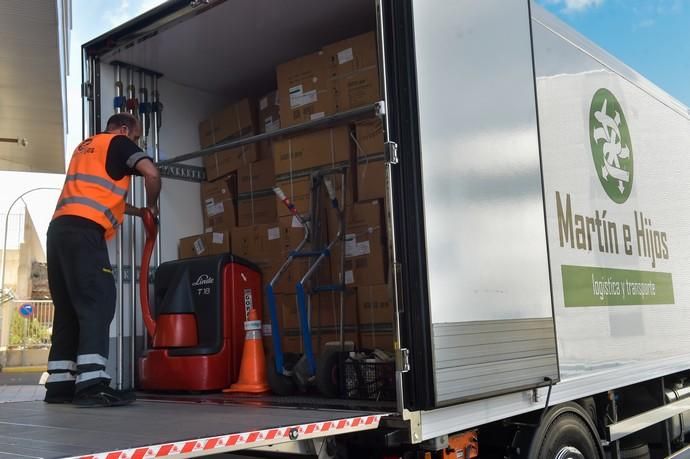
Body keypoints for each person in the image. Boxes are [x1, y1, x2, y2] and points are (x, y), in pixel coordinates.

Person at [44, 113, 161, 407]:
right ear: (124, 129)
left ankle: (60, 385)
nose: (134, 144)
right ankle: (92, 384)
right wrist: (152, 206)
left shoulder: (86, 147)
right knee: (99, 301)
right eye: (136, 138)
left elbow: (102, 194)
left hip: (59, 232)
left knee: (69, 309)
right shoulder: (119, 142)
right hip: (85, 233)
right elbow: (152, 174)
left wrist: (137, 213)